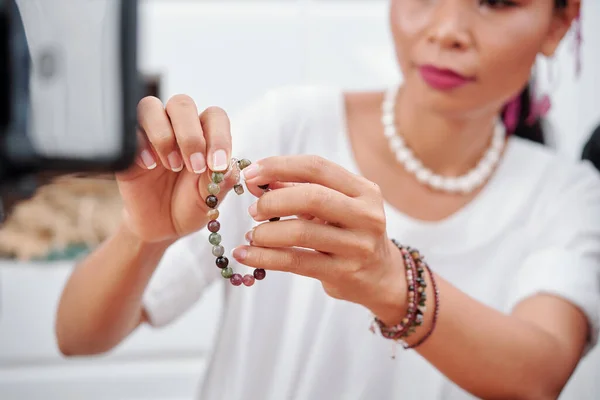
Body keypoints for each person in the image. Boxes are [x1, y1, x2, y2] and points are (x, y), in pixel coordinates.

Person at [56, 0, 599, 399]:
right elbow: (78, 336)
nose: (447, 30)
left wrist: (391, 280)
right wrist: (142, 236)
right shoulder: (290, 124)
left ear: (559, 22)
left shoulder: (568, 197)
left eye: (497, 2)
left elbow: (538, 374)